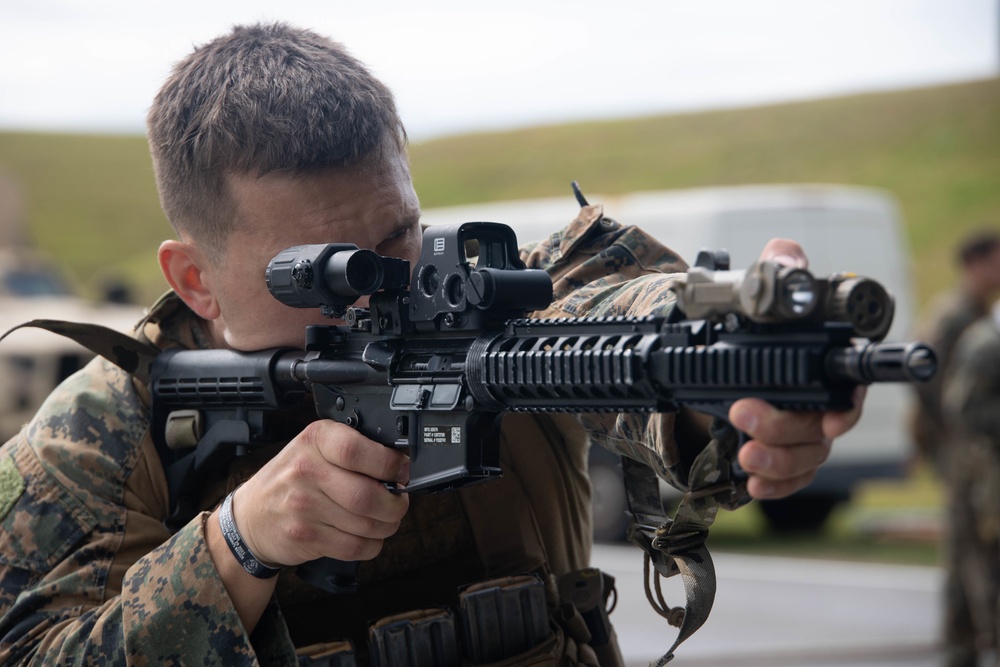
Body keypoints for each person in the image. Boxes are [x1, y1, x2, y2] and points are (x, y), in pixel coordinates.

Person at [0, 23, 863, 666]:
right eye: (327, 272)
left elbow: (606, 315)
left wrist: (732, 363)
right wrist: (237, 543)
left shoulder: (496, 312)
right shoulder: (98, 439)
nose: (382, 288)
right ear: (195, 279)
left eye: (399, 239)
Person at [909, 230, 1000, 667]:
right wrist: (948, 447)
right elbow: (928, 384)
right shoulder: (954, 315)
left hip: (971, 451)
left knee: (971, 550)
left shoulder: (980, 312)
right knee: (969, 547)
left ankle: (964, 644)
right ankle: (961, 644)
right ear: (976, 263)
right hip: (960, 450)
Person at [942, 300, 1000, 665]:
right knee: (976, 570)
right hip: (978, 479)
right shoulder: (985, 346)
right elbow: (963, 408)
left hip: (981, 477)